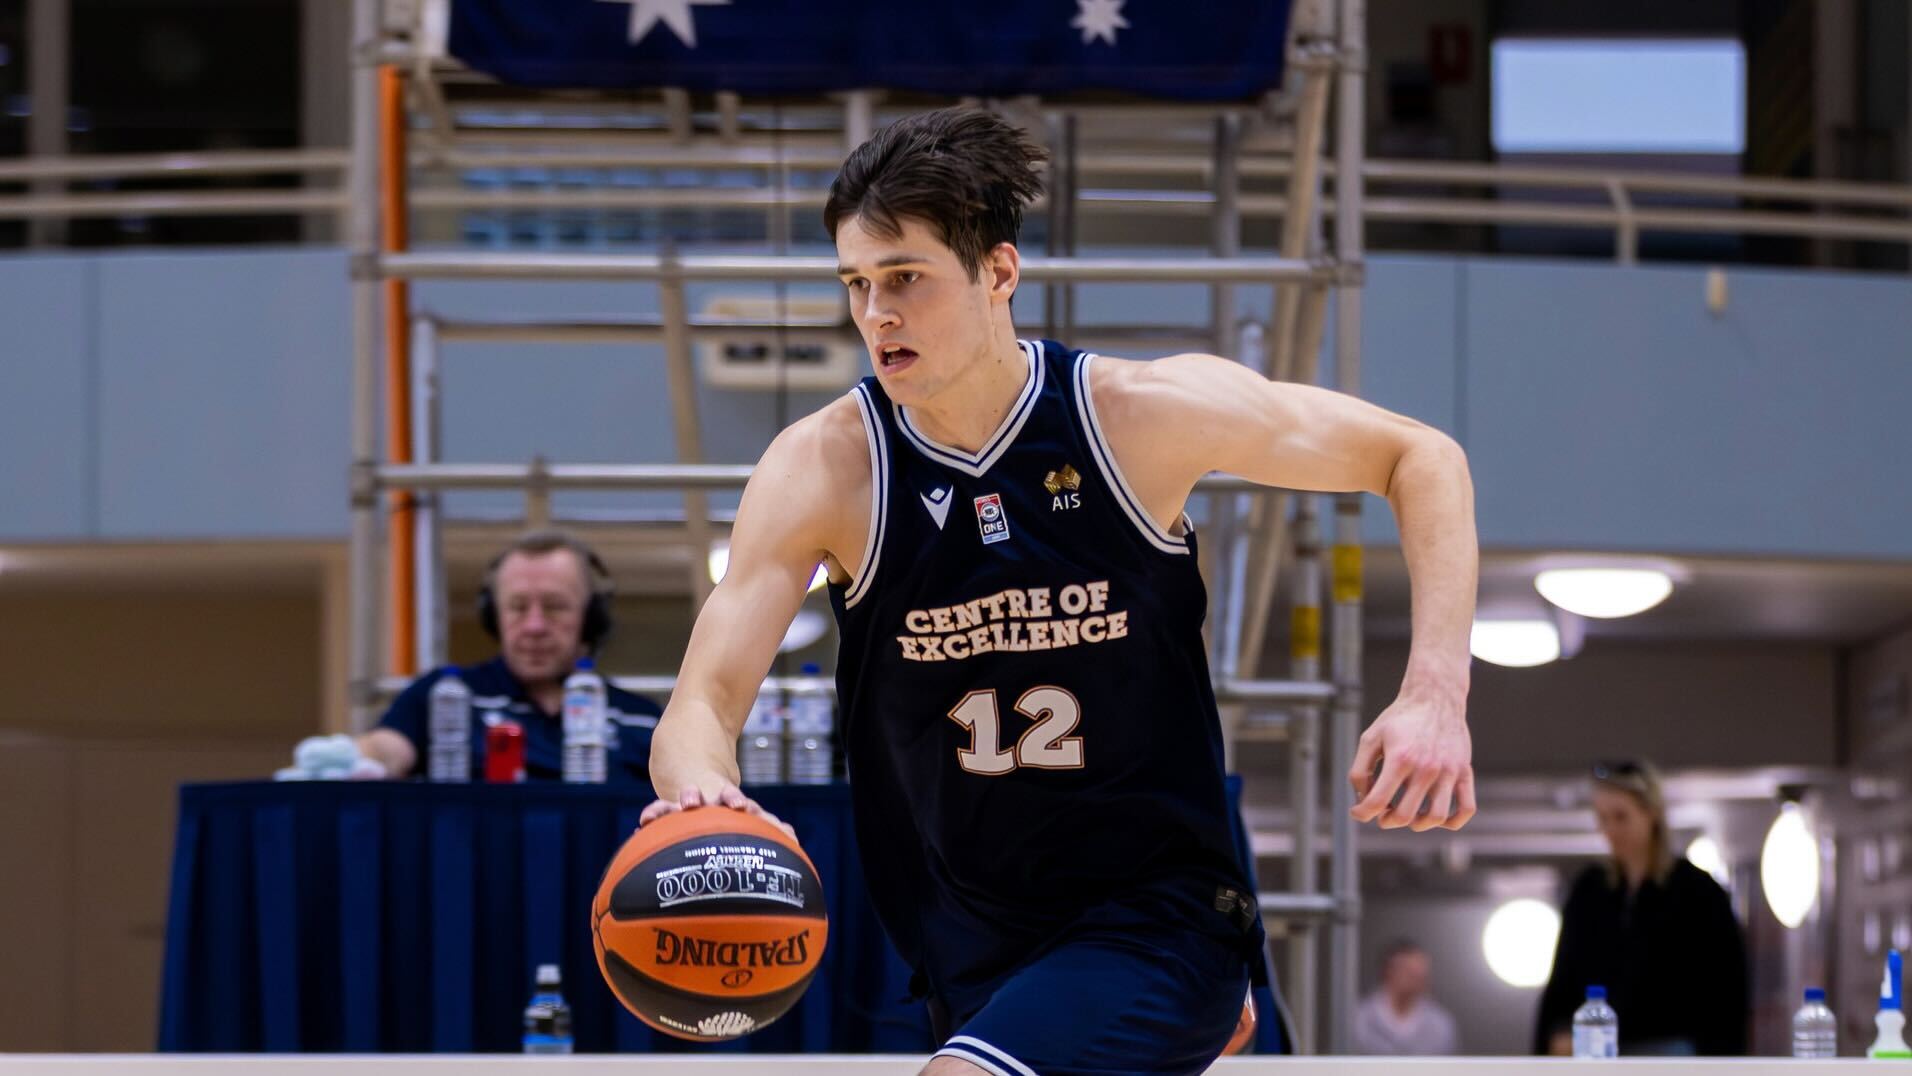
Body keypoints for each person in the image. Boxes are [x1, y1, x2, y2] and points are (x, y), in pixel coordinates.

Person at [641, 107, 1480, 1074]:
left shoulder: (1132, 417)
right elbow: (701, 705)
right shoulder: (825, 467)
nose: (876, 314)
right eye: (856, 283)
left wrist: (1434, 692)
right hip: (970, 955)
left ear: (999, 272)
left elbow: (1420, 456)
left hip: (1158, 919)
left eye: (906, 277)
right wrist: (705, 797)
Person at [357, 530, 662, 786]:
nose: (534, 626)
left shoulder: (642, 719)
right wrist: (354, 759)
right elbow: (384, 750)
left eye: (555, 606)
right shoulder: (443, 695)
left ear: (591, 618)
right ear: (494, 616)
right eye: (517, 607)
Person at [1534, 760, 1749, 1056]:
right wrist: (1557, 1031)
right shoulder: (1590, 890)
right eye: (1602, 818)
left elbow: (1725, 987)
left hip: (1673, 1048)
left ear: (1652, 814)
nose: (1610, 830)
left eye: (1621, 817)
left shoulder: (1697, 891)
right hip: (1596, 1047)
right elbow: (1564, 976)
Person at [1352, 940, 1460, 1055]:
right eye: (1409, 971)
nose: (1418, 977)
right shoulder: (1358, 1019)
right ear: (1388, 971)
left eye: (1421, 972)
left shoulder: (1440, 1024)